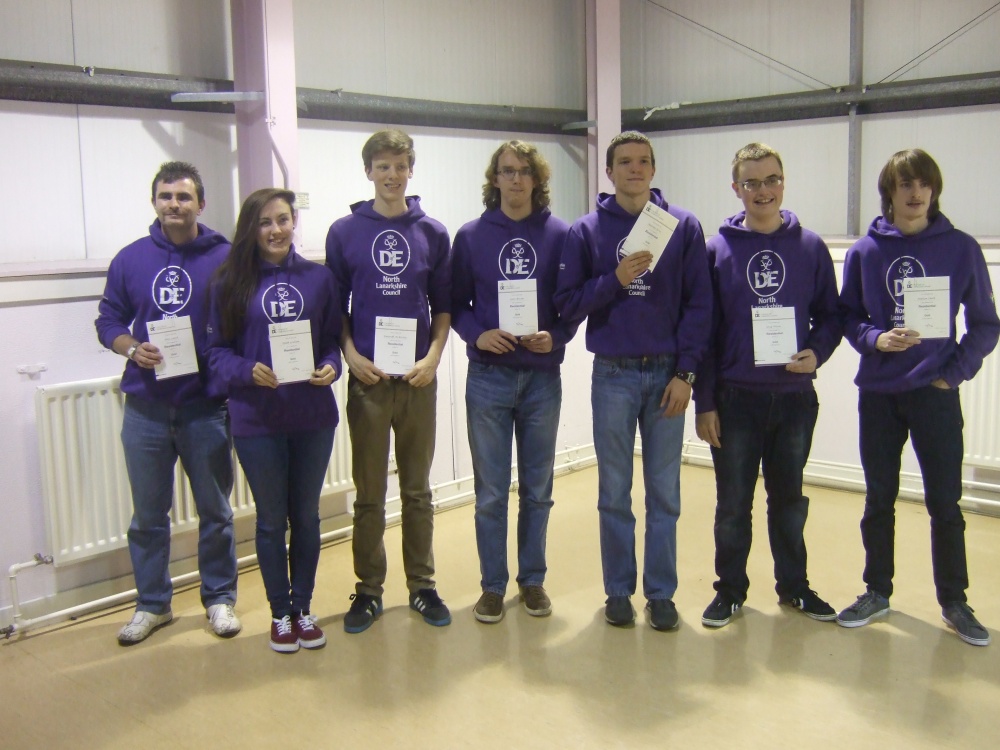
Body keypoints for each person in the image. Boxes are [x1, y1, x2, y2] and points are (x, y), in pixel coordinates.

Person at [837, 148, 1000, 646]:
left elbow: (985, 324)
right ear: (889, 191)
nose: (915, 193)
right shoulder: (865, 251)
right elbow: (848, 317)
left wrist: (954, 374)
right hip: (879, 395)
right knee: (878, 499)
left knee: (945, 503)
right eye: (905, 184)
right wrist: (874, 339)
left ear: (934, 190)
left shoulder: (960, 248)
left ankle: (954, 601)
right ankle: (877, 591)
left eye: (924, 184)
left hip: (935, 395)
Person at [555, 131, 712, 630]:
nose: (635, 169)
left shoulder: (682, 226)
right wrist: (615, 280)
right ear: (609, 172)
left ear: (654, 169)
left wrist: (686, 373)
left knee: (664, 493)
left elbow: (699, 305)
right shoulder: (586, 231)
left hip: (667, 374)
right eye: (625, 162)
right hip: (614, 376)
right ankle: (618, 591)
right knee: (614, 491)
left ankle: (661, 594)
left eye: (644, 161)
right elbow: (568, 304)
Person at [693, 143, 841, 628]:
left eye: (771, 180)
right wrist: (705, 402)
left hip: (794, 399)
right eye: (752, 182)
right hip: (735, 400)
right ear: (736, 188)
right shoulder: (715, 251)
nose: (763, 191)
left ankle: (794, 587)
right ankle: (730, 590)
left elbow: (832, 316)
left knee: (790, 502)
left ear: (783, 182)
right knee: (733, 505)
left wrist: (817, 351)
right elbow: (704, 333)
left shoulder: (810, 247)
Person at [95, 161, 240, 645]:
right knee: (148, 517)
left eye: (183, 196)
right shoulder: (130, 259)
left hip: (206, 407)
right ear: (154, 202)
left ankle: (219, 599)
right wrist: (131, 348)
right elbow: (108, 321)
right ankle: (153, 605)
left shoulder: (225, 256)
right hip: (146, 410)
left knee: (216, 512)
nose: (173, 204)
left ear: (201, 203)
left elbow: (243, 317)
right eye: (165, 196)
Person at [325, 129, 453, 632]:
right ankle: (369, 590)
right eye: (383, 166)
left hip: (418, 380)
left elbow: (443, 306)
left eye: (400, 166)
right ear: (368, 171)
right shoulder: (344, 232)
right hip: (370, 380)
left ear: (411, 170)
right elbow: (336, 307)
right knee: (370, 494)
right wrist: (350, 354)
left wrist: (434, 358)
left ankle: (422, 585)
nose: (392, 175)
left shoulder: (432, 233)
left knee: (418, 490)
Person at [207, 188, 342, 653]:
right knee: (270, 521)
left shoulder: (319, 278)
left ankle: (303, 608)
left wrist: (332, 366)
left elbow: (331, 341)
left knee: (306, 516)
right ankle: (280, 613)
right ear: (251, 228)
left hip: (312, 417)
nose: (276, 230)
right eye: (265, 222)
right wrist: (246, 370)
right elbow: (215, 353)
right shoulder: (229, 282)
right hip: (257, 419)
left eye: (283, 219)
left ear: (293, 223)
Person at [451, 140, 577, 623]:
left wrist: (557, 336)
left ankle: (533, 580)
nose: (516, 179)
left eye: (525, 171)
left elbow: (572, 303)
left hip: (542, 379)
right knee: (490, 493)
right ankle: (492, 586)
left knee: (538, 489)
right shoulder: (470, 236)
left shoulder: (560, 235)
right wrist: (478, 334)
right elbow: (454, 304)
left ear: (537, 179)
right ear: (495, 179)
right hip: (489, 378)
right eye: (507, 171)